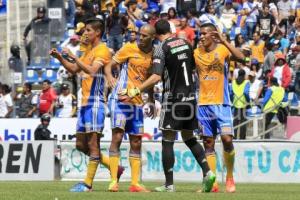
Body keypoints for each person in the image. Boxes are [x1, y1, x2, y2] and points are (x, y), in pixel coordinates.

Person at [120, 19, 216, 193]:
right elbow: (192, 67)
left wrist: (136, 90)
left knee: (167, 139)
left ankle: (169, 185)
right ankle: (208, 172)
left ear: (156, 34)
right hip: (190, 97)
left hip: (173, 98)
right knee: (189, 137)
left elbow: (156, 77)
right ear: (170, 30)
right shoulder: (186, 44)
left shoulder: (161, 48)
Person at [50, 18, 123, 192]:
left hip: (95, 103)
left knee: (92, 145)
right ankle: (115, 168)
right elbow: (75, 69)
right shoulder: (89, 50)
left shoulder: (103, 50)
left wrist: (74, 56)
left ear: (97, 32)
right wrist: (60, 57)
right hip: (84, 104)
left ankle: (87, 184)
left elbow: (91, 70)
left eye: (88, 30)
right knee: (80, 146)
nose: (85, 33)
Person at [104, 24, 156, 193]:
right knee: (117, 137)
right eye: (139, 35)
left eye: (144, 36)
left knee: (136, 141)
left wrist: (152, 101)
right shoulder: (129, 48)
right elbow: (108, 65)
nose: (140, 38)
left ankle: (135, 183)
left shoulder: (154, 54)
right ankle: (113, 180)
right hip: (120, 99)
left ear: (152, 38)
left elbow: (149, 80)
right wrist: (110, 76)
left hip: (137, 102)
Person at [194, 23, 245, 193]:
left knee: (227, 140)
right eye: (200, 34)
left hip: (222, 103)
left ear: (213, 35)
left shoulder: (222, 50)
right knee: (208, 142)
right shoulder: (196, 53)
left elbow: (241, 58)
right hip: (203, 104)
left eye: (204, 34)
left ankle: (229, 177)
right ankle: (212, 182)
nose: (201, 36)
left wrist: (225, 41)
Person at [231, 69, 250, 139]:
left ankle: (234, 137)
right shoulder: (246, 82)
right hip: (244, 104)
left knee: (235, 121)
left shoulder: (233, 82)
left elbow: (231, 93)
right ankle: (242, 137)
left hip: (236, 104)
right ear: (244, 75)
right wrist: (248, 101)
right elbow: (246, 92)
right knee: (243, 122)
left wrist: (232, 100)